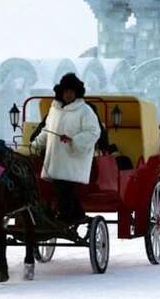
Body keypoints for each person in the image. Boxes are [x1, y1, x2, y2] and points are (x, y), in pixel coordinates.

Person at [31, 73, 101, 224]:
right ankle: (75, 214)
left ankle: (67, 216)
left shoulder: (85, 111)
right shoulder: (54, 109)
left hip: (73, 159)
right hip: (55, 158)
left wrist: (74, 140)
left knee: (65, 187)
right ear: (60, 92)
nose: (68, 94)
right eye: (66, 91)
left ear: (77, 93)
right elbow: (47, 130)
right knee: (60, 187)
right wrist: (36, 144)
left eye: (71, 91)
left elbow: (94, 132)